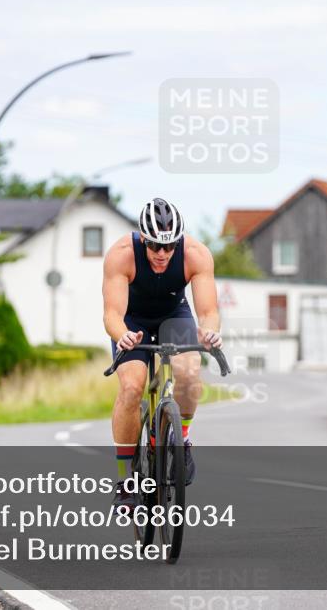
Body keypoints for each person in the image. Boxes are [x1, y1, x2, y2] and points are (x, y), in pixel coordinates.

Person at [102, 197, 222, 510]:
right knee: (131, 387)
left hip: (174, 316)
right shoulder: (121, 255)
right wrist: (122, 335)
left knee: (189, 373)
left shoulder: (196, 255)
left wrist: (208, 331)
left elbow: (208, 311)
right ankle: (125, 478)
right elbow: (112, 314)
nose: (162, 254)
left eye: (169, 247)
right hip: (132, 321)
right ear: (143, 239)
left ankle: (180, 441)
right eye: (155, 246)